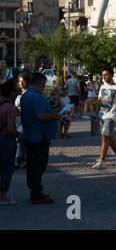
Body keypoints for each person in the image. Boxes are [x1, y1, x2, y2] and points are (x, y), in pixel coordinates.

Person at [20, 72, 61, 204]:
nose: (45, 86)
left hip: (30, 134)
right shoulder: (36, 96)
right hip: (38, 136)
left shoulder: (26, 95)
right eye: (44, 83)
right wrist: (55, 116)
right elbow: (41, 115)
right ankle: (36, 194)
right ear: (39, 82)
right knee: (38, 165)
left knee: (32, 165)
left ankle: (35, 190)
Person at [92, 67, 116, 169]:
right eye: (103, 75)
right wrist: (93, 102)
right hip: (102, 115)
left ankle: (101, 161)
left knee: (105, 137)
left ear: (111, 75)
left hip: (112, 116)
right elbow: (100, 100)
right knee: (110, 138)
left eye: (106, 74)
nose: (104, 77)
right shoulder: (102, 87)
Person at [0, 79, 21, 205]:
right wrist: (18, 135)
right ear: (11, 93)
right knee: (7, 169)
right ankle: (3, 197)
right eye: (16, 91)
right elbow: (11, 128)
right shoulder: (10, 108)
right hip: (6, 140)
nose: (18, 93)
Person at [15, 71, 32, 169]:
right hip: (17, 120)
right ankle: (21, 159)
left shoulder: (29, 93)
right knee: (19, 141)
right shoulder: (17, 92)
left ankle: (23, 160)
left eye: (23, 81)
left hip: (25, 119)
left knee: (23, 140)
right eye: (19, 81)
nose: (21, 83)